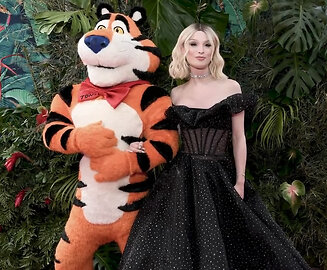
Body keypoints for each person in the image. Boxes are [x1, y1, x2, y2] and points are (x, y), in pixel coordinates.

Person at [118, 23, 311, 270]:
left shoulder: (230, 88)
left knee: (232, 244)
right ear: (183, 49)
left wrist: (240, 181)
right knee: (175, 248)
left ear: (214, 50)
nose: (201, 50)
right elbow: (173, 140)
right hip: (180, 180)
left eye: (207, 44)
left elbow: (239, 138)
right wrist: (145, 146)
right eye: (194, 44)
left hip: (220, 177)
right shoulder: (176, 94)